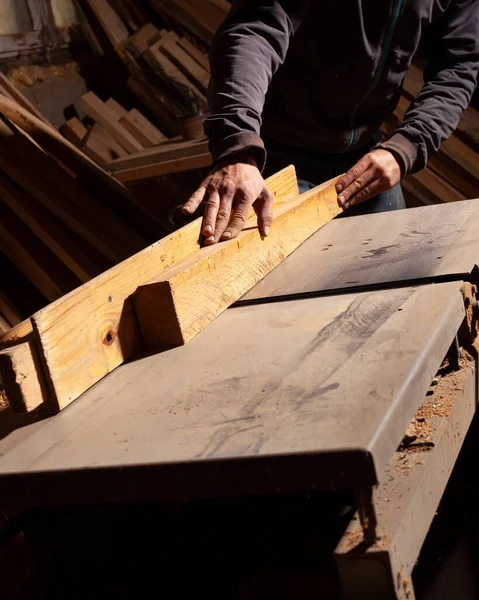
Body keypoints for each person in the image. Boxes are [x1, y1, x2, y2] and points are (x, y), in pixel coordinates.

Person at [183, 0, 479, 245]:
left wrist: (406, 148)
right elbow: (256, 28)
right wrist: (238, 143)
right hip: (271, 157)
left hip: (365, 160)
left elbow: (458, 65)